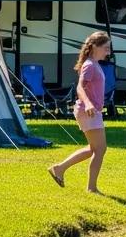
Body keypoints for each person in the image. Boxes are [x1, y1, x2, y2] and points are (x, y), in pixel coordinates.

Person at [48, 31, 112, 193]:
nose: (108, 52)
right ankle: (91, 188)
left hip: (90, 111)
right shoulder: (90, 65)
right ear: (95, 47)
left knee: (93, 148)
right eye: (105, 48)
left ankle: (59, 169)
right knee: (100, 149)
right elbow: (79, 87)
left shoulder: (94, 63)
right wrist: (89, 104)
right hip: (87, 111)